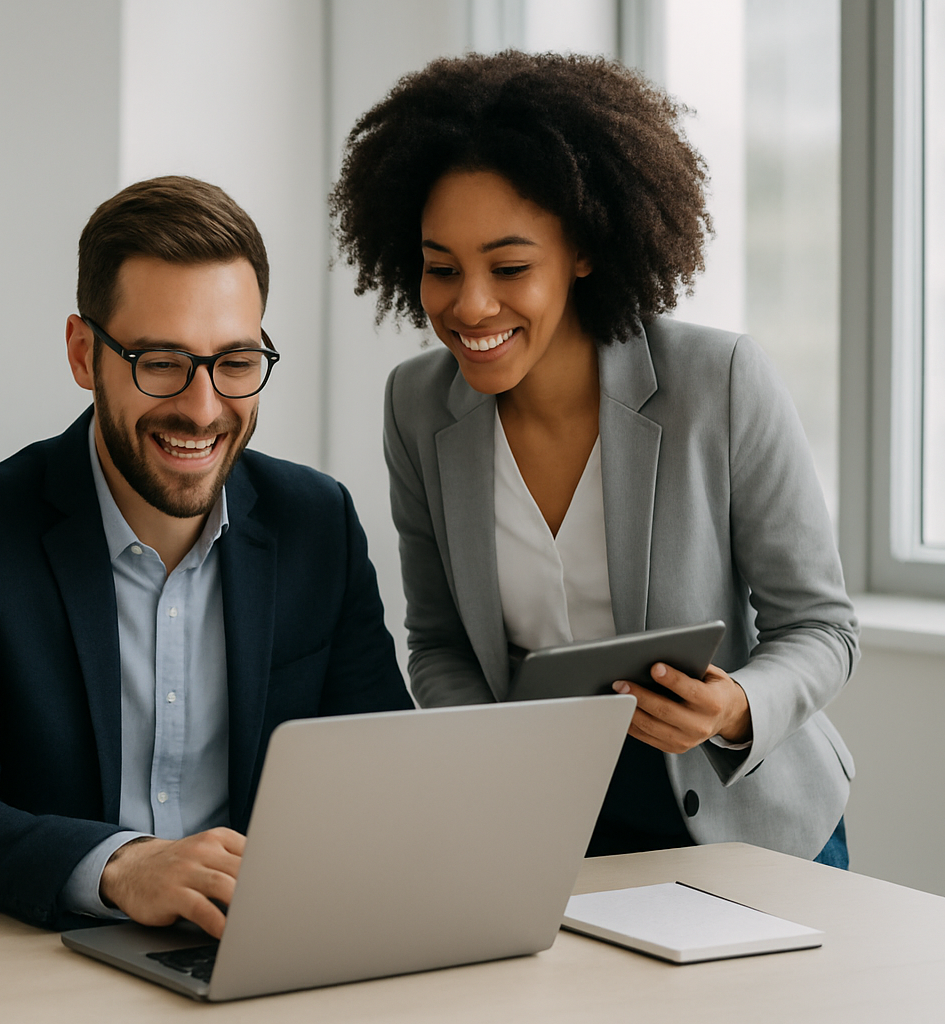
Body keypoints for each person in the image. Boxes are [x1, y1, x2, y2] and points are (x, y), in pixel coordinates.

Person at [329, 52, 857, 864]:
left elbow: (821, 627)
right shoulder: (417, 406)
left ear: (581, 249)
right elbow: (437, 644)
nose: (469, 306)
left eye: (509, 267)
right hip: (548, 828)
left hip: (745, 820)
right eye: (441, 270)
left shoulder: (716, 381)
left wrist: (732, 706)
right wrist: (496, 753)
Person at [0, 176, 412, 937]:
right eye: (161, 362)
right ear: (84, 353)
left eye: (235, 361)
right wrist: (120, 866)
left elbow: (385, 771)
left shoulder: (316, 522)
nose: (202, 407)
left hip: (261, 948)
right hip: (46, 958)